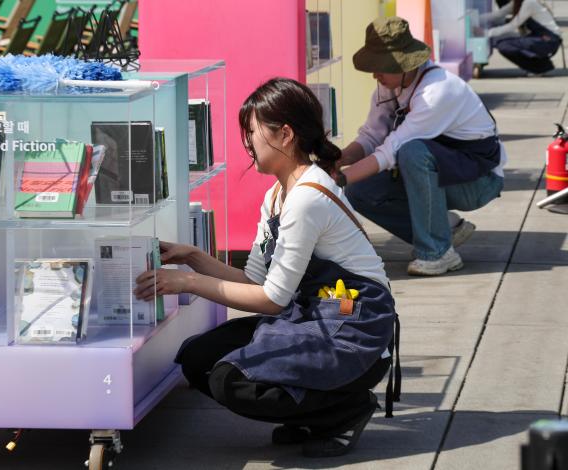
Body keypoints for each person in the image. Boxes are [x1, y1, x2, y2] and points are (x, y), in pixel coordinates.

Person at [135, 78, 399, 458]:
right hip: (315, 314)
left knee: (230, 379)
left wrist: (188, 282)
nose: (247, 143)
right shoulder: (278, 193)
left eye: (253, 131)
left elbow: (272, 300)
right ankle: (309, 411)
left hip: (355, 326)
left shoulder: (307, 198)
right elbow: (254, 280)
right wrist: (191, 255)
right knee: (197, 360)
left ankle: (343, 410)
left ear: (285, 134)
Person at [338, 17, 507, 276]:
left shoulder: (435, 92)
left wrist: (335, 179)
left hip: (479, 181)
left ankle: (437, 252)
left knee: (412, 152)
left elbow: (389, 151)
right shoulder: (389, 88)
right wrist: (337, 159)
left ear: (405, 64)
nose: (375, 74)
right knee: (359, 191)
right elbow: (371, 137)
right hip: (446, 172)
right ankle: (446, 229)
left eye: (381, 66)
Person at [484, 0, 562, 76]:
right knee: (500, 40)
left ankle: (539, 68)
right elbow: (498, 14)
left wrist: (486, 33)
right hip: (540, 37)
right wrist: (475, 19)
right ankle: (542, 64)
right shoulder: (518, 2)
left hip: (549, 40)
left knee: (504, 45)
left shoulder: (529, 2)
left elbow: (513, 25)